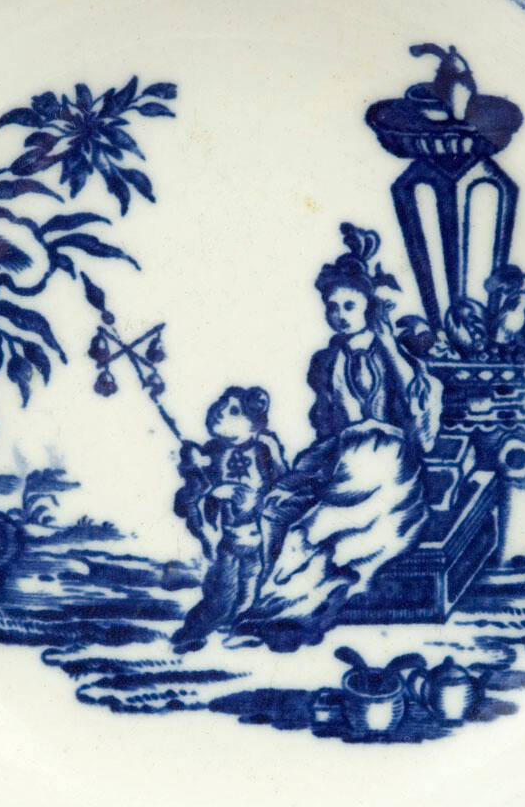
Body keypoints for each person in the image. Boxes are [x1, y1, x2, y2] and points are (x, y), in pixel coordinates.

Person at [232, 227, 442, 652]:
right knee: (275, 508)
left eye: (350, 305)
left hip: (386, 459)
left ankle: (290, 616)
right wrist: (304, 473)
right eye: (333, 307)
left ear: (369, 307)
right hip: (343, 453)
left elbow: (418, 419)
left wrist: (388, 343)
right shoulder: (326, 361)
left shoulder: (392, 354)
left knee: (309, 532)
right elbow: (327, 428)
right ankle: (271, 606)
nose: (340, 314)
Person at [170, 386, 286, 653]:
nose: (220, 412)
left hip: (258, 539)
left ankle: (237, 635)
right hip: (229, 540)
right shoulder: (213, 451)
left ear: (254, 422)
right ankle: (193, 632)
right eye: (221, 405)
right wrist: (201, 474)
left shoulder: (264, 449)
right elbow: (198, 487)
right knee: (222, 595)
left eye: (233, 410)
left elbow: (281, 482)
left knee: (248, 595)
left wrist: (258, 499)